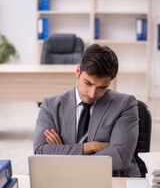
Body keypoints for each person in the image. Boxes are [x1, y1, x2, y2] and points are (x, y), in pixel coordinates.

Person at [33, 44, 140, 177]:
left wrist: (63, 153)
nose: (92, 93)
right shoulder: (51, 105)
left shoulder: (125, 104)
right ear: (78, 71)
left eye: (102, 87)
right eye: (88, 83)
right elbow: (40, 152)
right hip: (62, 177)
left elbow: (120, 158)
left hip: (109, 178)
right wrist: (91, 146)